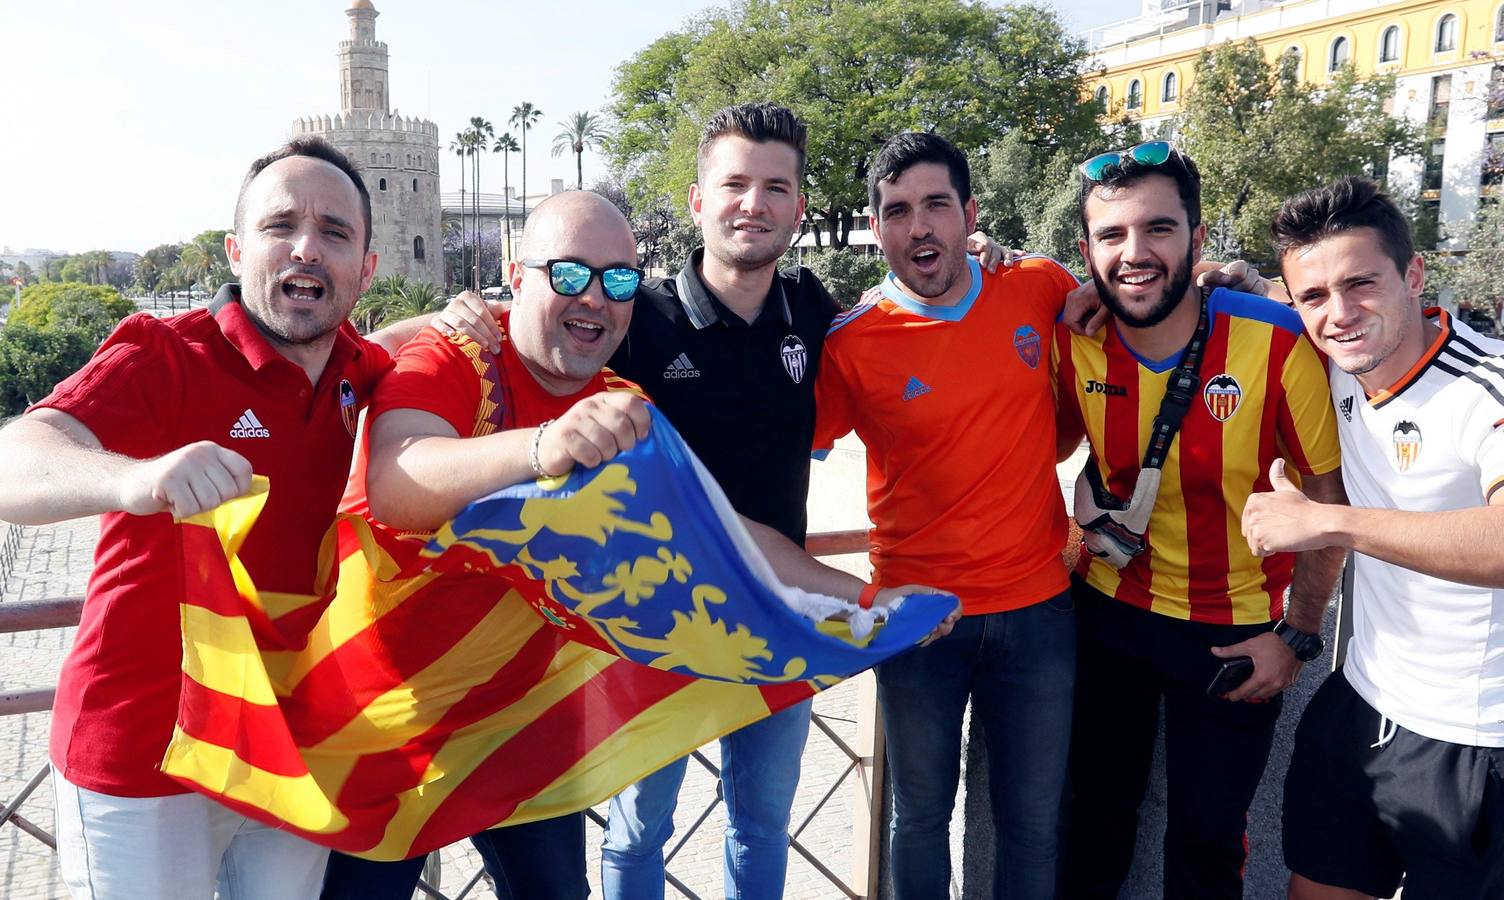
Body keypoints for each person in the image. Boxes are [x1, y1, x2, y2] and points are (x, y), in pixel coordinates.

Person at [326, 189, 957, 899]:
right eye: (568, 274)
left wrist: (871, 600)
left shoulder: (623, 405)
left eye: (617, 279)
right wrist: (544, 445)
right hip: (386, 732)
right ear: (516, 274)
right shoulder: (452, 355)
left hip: (516, 733)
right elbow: (397, 481)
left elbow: (728, 533)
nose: (594, 298)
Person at [0, 136, 494, 900]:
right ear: (237, 250)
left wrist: (458, 316)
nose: (305, 248)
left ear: (366, 269)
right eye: (280, 226)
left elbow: (394, 345)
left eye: (334, 233)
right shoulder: (160, 354)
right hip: (144, 758)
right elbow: (15, 460)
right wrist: (140, 478)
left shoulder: (358, 374)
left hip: (287, 753)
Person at [596, 103, 1005, 900]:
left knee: (760, 822)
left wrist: (995, 261)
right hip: (652, 611)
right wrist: (456, 318)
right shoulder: (639, 318)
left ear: (798, 208)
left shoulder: (814, 311)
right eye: (736, 184)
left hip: (778, 608)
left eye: (775, 187)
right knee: (640, 828)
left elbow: (919, 313)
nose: (754, 203)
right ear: (698, 200)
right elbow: (537, 347)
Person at [1053, 142, 1347, 900]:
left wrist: (1299, 635)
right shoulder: (1073, 335)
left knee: (1208, 844)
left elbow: (1328, 502)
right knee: (1092, 822)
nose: (1134, 253)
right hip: (1107, 615)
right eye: (1111, 236)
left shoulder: (1276, 339)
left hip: (1233, 631)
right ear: (1086, 250)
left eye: (1158, 229)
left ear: (1198, 237)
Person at [811, 131, 1083, 900]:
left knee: (1032, 825)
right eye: (897, 211)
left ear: (970, 214)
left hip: (1039, 614)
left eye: (937, 205)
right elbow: (773, 448)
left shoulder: (1037, 285)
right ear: (877, 228)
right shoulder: (852, 343)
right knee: (919, 816)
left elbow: (1140, 308)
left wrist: (1229, 282)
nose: (919, 227)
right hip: (917, 617)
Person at [1245, 176, 1504, 900]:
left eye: (1361, 283)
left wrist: (1328, 522)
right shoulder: (1331, 358)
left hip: (1476, 740)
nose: (1338, 314)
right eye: (1314, 296)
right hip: (1361, 701)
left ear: (1413, 275)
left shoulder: (1483, 387)